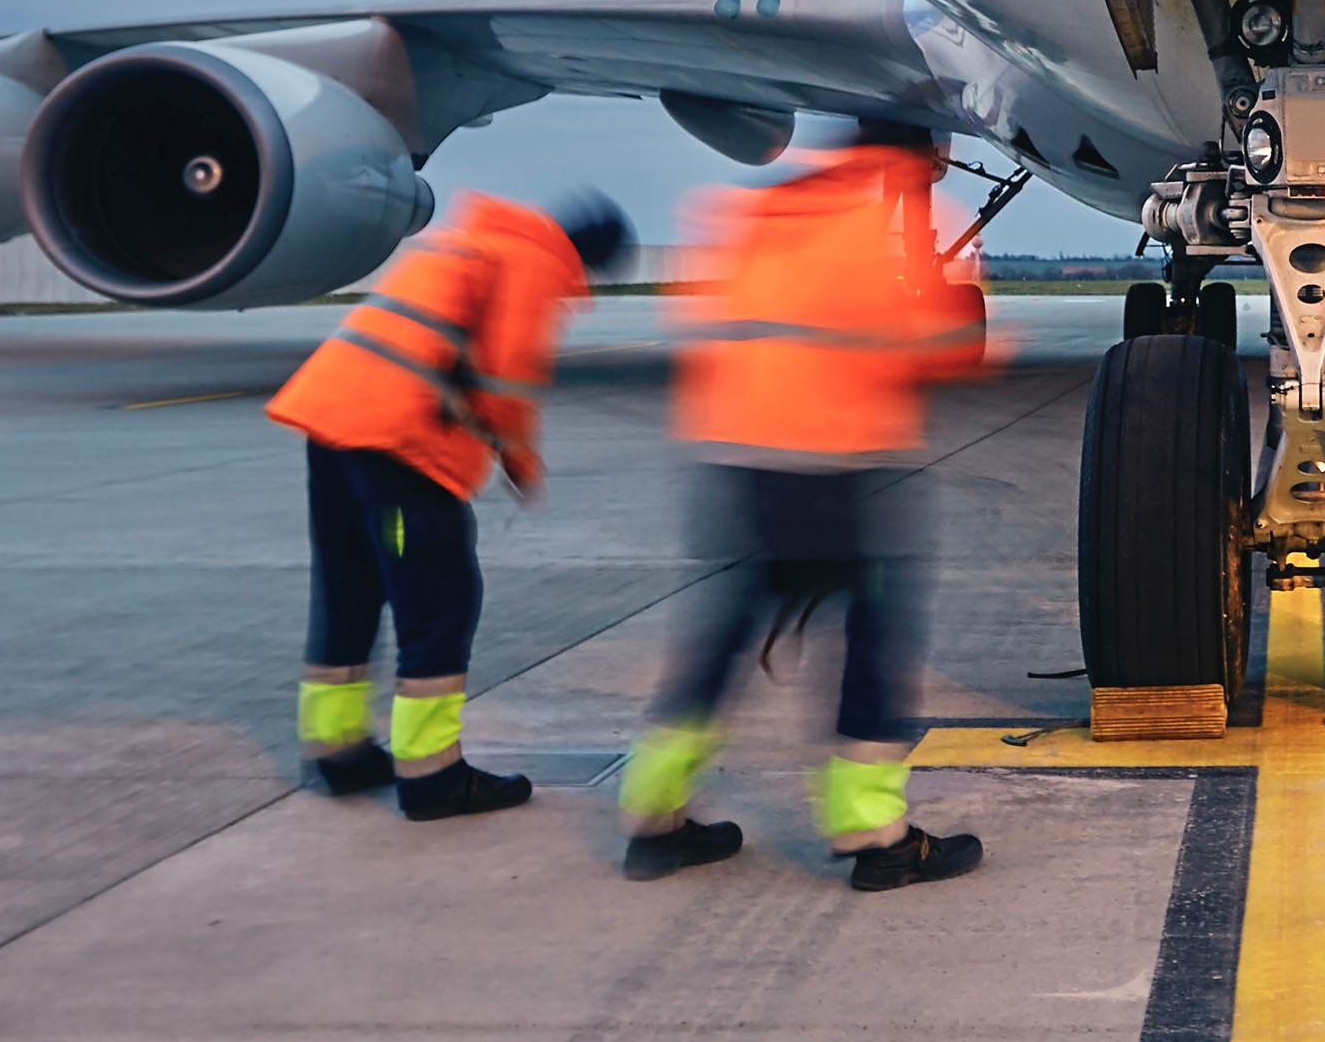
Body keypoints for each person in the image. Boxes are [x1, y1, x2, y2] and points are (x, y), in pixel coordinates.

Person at [618, 117, 991, 889]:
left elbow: (702, 329)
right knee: (876, 636)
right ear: (921, 152)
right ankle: (874, 834)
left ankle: (653, 815)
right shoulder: (886, 220)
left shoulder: (753, 211)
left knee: (721, 637)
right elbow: (928, 345)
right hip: (835, 467)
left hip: (737, 464)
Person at [265, 188, 632, 819]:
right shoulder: (537, 263)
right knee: (440, 602)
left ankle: (338, 753)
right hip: (398, 449)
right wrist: (521, 462)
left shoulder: (474, 240)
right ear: (589, 257)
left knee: (349, 591)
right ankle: (432, 777)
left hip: (331, 429)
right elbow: (507, 378)